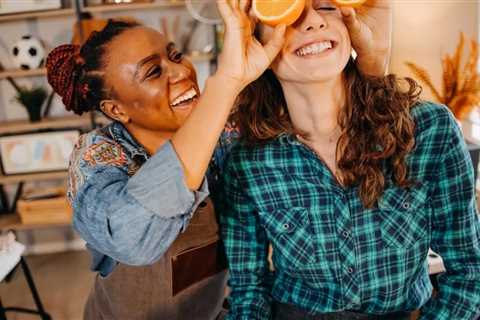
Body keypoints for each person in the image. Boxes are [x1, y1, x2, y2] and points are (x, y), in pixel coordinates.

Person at [45, 0, 392, 318]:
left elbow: (330, 117)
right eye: (153, 72)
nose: (180, 73)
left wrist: (372, 59)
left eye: (175, 56)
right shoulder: (97, 157)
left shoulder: (228, 132)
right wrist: (224, 84)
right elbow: (134, 240)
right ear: (115, 109)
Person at [219, 0, 480, 320]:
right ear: (256, 44)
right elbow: (248, 291)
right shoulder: (244, 160)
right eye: (289, 12)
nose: (313, 21)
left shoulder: (428, 129)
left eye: (327, 6)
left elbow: (469, 272)